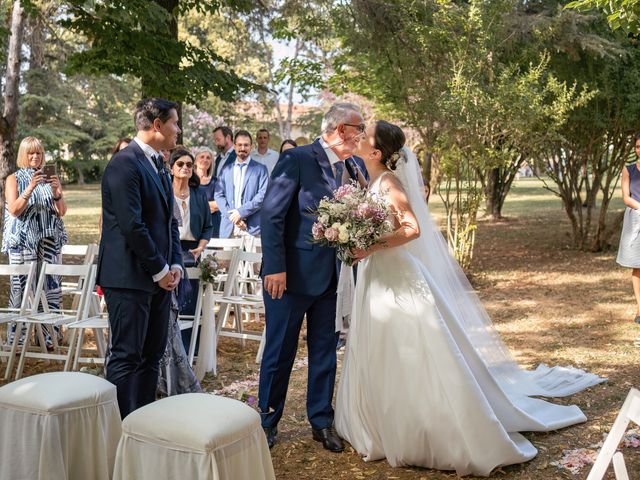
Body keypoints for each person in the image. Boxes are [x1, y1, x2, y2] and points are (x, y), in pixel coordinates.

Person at [335, 121, 604, 476]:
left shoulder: (389, 182)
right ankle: (380, 422)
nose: (357, 137)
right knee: (381, 344)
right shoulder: (370, 181)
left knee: (411, 344)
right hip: (377, 275)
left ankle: (425, 428)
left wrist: (371, 246)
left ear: (377, 152)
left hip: (397, 277)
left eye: (364, 136)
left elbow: (412, 229)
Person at [258, 103, 367, 451]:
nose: (361, 134)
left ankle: (321, 420)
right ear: (338, 128)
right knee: (280, 352)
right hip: (289, 278)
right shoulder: (298, 159)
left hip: (335, 277)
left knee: (325, 351)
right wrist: (276, 266)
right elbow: (271, 215)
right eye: (358, 127)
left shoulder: (355, 166)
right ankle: (266, 420)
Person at [97, 97, 183, 418]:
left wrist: (173, 264)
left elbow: (169, 221)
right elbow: (133, 226)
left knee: (152, 356)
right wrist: (160, 269)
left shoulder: (159, 164)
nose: (178, 129)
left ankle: (143, 426)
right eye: (174, 122)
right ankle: (118, 432)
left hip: (160, 279)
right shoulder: (124, 164)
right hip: (128, 278)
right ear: (157, 125)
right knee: (126, 356)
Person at [2, 136, 68, 349]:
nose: (35, 157)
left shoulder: (50, 178)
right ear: (24, 155)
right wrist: (30, 188)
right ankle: (17, 342)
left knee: (51, 289)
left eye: (39, 153)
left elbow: (62, 212)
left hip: (48, 241)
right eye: (31, 153)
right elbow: (14, 210)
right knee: (21, 290)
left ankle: (49, 338)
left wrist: (57, 193)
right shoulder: (14, 179)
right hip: (23, 242)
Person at [215, 130, 269, 239]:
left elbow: (262, 196)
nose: (242, 148)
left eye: (246, 145)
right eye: (239, 145)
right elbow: (219, 195)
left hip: (251, 228)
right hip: (229, 228)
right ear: (234, 146)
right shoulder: (226, 170)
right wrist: (233, 217)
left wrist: (241, 212)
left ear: (251, 147)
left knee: (252, 257)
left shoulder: (261, 169)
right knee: (226, 257)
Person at [617, 134, 640, 329]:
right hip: (636, 218)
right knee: (637, 266)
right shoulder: (629, 169)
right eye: (638, 147)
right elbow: (626, 196)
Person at [211, 126, 236, 238]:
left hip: (231, 208)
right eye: (215, 140)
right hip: (218, 209)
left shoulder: (237, 156)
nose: (216, 143)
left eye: (218, 139)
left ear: (228, 137)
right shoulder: (218, 159)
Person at [194, 147, 218, 238]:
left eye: (208, 158)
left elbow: (219, 204)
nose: (205, 160)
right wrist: (209, 206)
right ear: (195, 160)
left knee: (213, 252)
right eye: (202, 157)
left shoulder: (216, 181)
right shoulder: (189, 180)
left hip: (213, 224)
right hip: (194, 224)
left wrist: (197, 205)